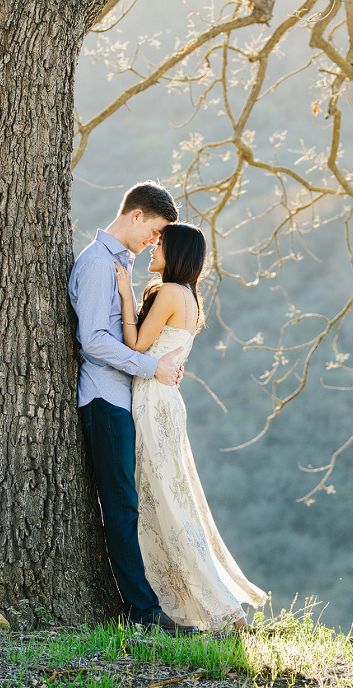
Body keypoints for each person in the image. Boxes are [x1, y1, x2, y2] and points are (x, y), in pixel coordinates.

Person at [114, 222, 270, 632]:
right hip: (165, 402)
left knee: (165, 500)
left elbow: (135, 347)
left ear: (177, 252)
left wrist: (125, 294)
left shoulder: (168, 293)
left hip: (153, 403)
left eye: (159, 244)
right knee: (165, 497)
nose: (152, 248)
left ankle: (221, 609)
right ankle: (204, 603)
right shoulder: (188, 297)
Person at [68, 181, 194, 633]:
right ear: (136, 215)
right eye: (155, 231)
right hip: (105, 398)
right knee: (121, 505)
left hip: (126, 399)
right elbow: (94, 341)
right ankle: (143, 614)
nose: (154, 242)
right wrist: (150, 367)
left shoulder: (122, 265)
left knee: (130, 503)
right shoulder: (99, 263)